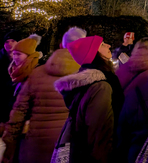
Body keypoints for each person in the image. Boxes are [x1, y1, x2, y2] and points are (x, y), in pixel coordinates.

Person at [1, 27, 85, 163]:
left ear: (61, 45)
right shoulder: (86, 75)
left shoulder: (36, 73)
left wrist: (9, 145)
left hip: (34, 146)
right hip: (67, 147)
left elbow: (19, 112)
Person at [54, 36, 124, 163]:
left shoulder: (91, 83)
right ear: (94, 53)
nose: (108, 45)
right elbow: (99, 132)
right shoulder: (101, 87)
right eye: (102, 44)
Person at [7, 36, 42, 116]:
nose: (15, 57)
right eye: (14, 54)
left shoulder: (36, 72)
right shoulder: (15, 72)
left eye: (18, 54)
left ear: (29, 56)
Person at [0, 30, 26, 127]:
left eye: (13, 40)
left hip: (18, 98)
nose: (9, 44)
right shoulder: (1, 58)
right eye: (7, 41)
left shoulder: (25, 59)